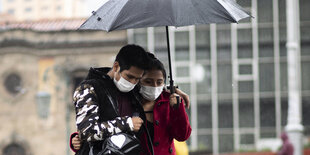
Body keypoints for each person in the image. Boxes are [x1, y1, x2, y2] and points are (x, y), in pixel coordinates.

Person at [71, 52, 192, 155]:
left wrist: (178, 107)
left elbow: (183, 135)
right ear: (137, 81)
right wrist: (78, 139)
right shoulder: (126, 98)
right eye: (148, 81)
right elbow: (104, 123)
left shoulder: (169, 101)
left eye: (159, 82)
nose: (154, 87)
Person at [73, 44, 150, 155]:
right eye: (129, 76)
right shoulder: (89, 88)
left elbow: (156, 83)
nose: (132, 82)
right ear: (116, 66)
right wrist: (126, 123)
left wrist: (176, 92)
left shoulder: (134, 92)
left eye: (137, 79)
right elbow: (86, 132)